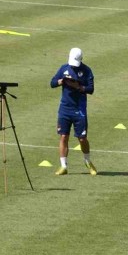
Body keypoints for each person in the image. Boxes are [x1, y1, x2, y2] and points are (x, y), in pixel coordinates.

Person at [50, 47, 96, 176]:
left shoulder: (86, 70)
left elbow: (91, 89)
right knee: (63, 136)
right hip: (64, 108)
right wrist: (60, 81)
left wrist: (79, 86)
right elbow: (52, 83)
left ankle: (87, 161)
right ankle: (63, 166)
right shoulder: (63, 68)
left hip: (79, 110)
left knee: (82, 138)